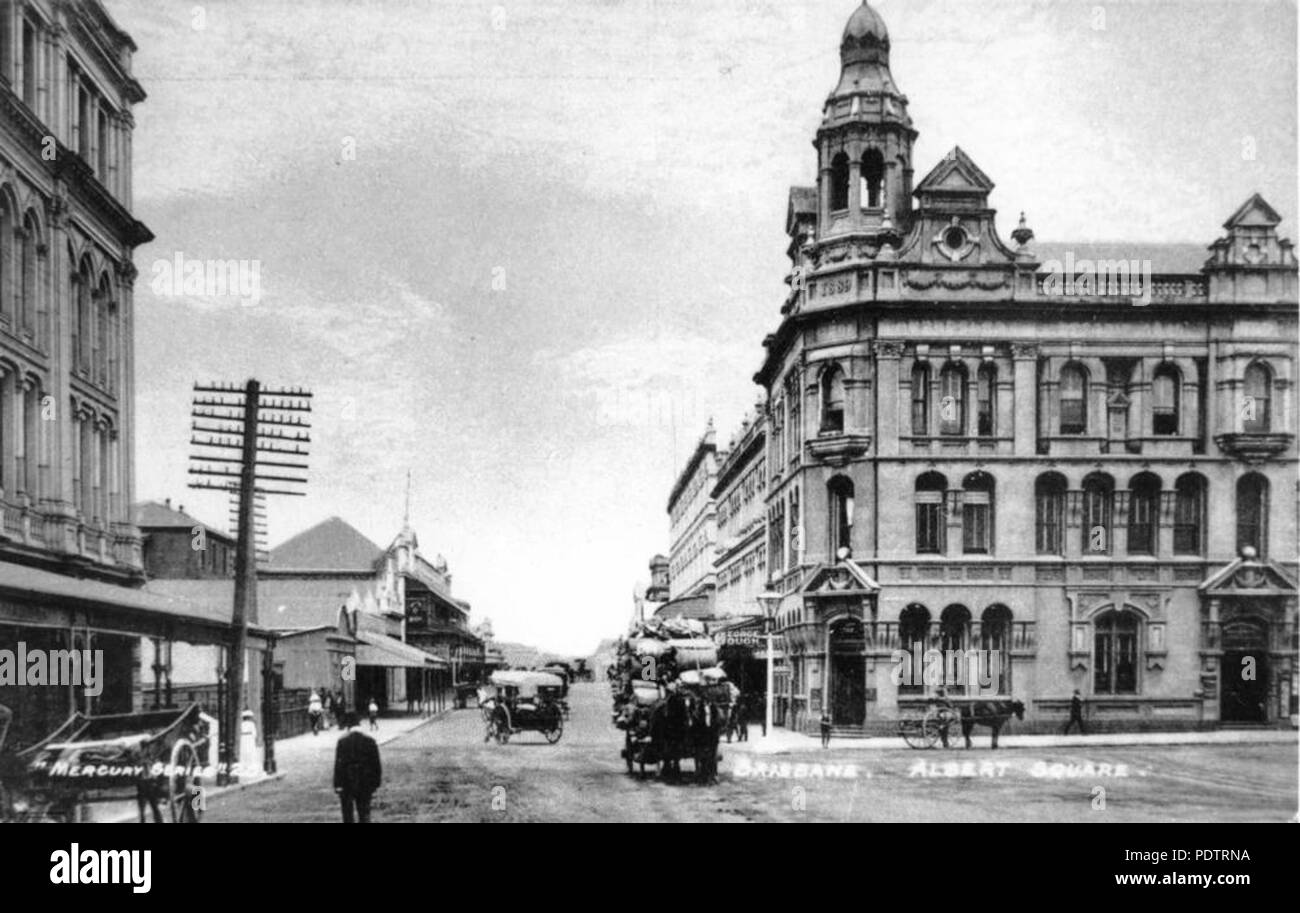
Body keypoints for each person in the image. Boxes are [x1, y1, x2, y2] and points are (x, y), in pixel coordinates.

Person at [333, 712, 381, 823]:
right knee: (364, 812)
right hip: (365, 781)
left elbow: (339, 765)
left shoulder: (342, 741)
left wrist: (337, 784)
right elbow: (376, 764)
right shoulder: (370, 740)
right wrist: (375, 783)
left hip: (347, 782)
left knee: (347, 814)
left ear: (348, 727)